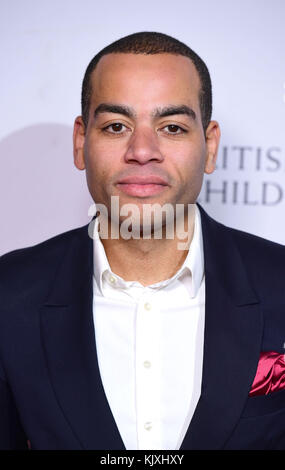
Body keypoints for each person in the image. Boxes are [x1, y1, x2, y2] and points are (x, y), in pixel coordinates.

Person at [0, 31, 285, 451]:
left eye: (171, 127)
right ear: (81, 142)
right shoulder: (10, 295)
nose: (142, 150)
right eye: (117, 126)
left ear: (209, 147)